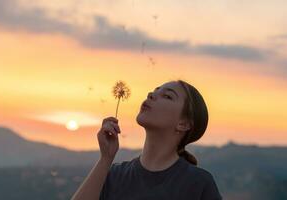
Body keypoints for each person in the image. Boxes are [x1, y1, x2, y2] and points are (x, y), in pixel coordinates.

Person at [71, 80, 223, 200]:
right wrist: (105, 158)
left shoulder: (198, 184)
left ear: (183, 124)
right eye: (154, 91)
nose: (150, 94)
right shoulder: (115, 175)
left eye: (167, 96)